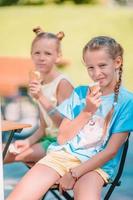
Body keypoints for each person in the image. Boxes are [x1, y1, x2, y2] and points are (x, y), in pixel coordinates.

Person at [7, 36, 133, 200]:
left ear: (117, 62)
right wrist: (87, 111)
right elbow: (62, 137)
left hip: (96, 166)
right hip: (62, 155)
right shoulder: (80, 93)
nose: (96, 73)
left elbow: (111, 151)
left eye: (102, 65)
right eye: (90, 68)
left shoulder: (127, 102)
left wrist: (74, 173)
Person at [4, 26, 73, 166]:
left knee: (5, 154)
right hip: (47, 140)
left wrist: (41, 97)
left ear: (58, 57)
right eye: (37, 53)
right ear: (31, 55)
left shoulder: (62, 83)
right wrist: (27, 141)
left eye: (47, 53)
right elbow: (43, 127)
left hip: (63, 144)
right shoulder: (40, 83)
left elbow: (66, 126)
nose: (41, 58)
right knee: (5, 149)